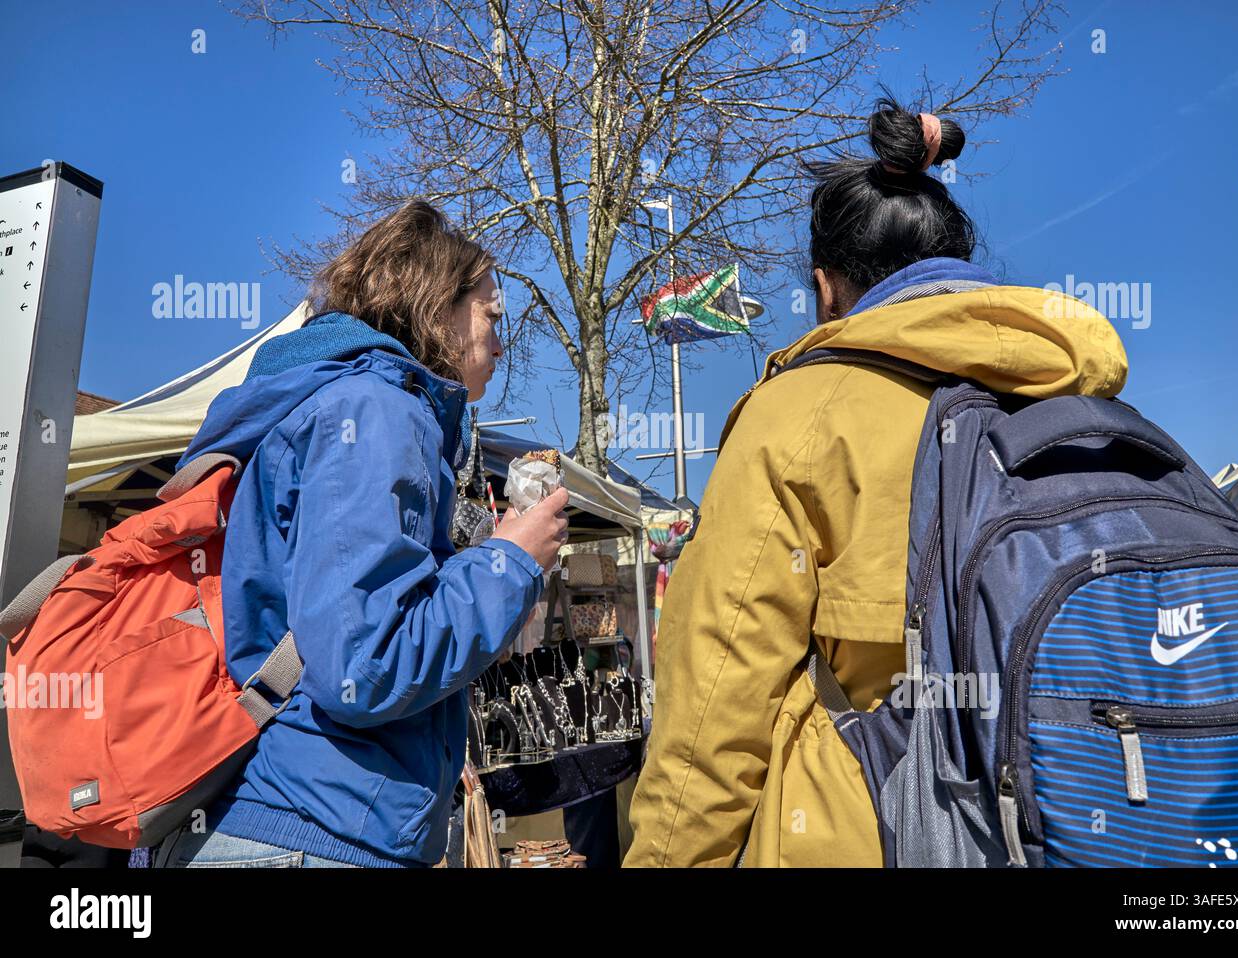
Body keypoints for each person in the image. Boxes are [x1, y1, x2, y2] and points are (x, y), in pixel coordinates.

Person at [625, 99, 1130, 867]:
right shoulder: (1080, 397)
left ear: (828, 290)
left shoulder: (797, 417)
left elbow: (712, 712)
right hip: (1092, 823)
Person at [155, 201, 569, 868]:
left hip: (290, 819)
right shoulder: (378, 409)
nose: (501, 341)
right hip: (312, 832)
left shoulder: (346, 401)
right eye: (492, 316)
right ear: (436, 306)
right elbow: (365, 665)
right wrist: (510, 562)